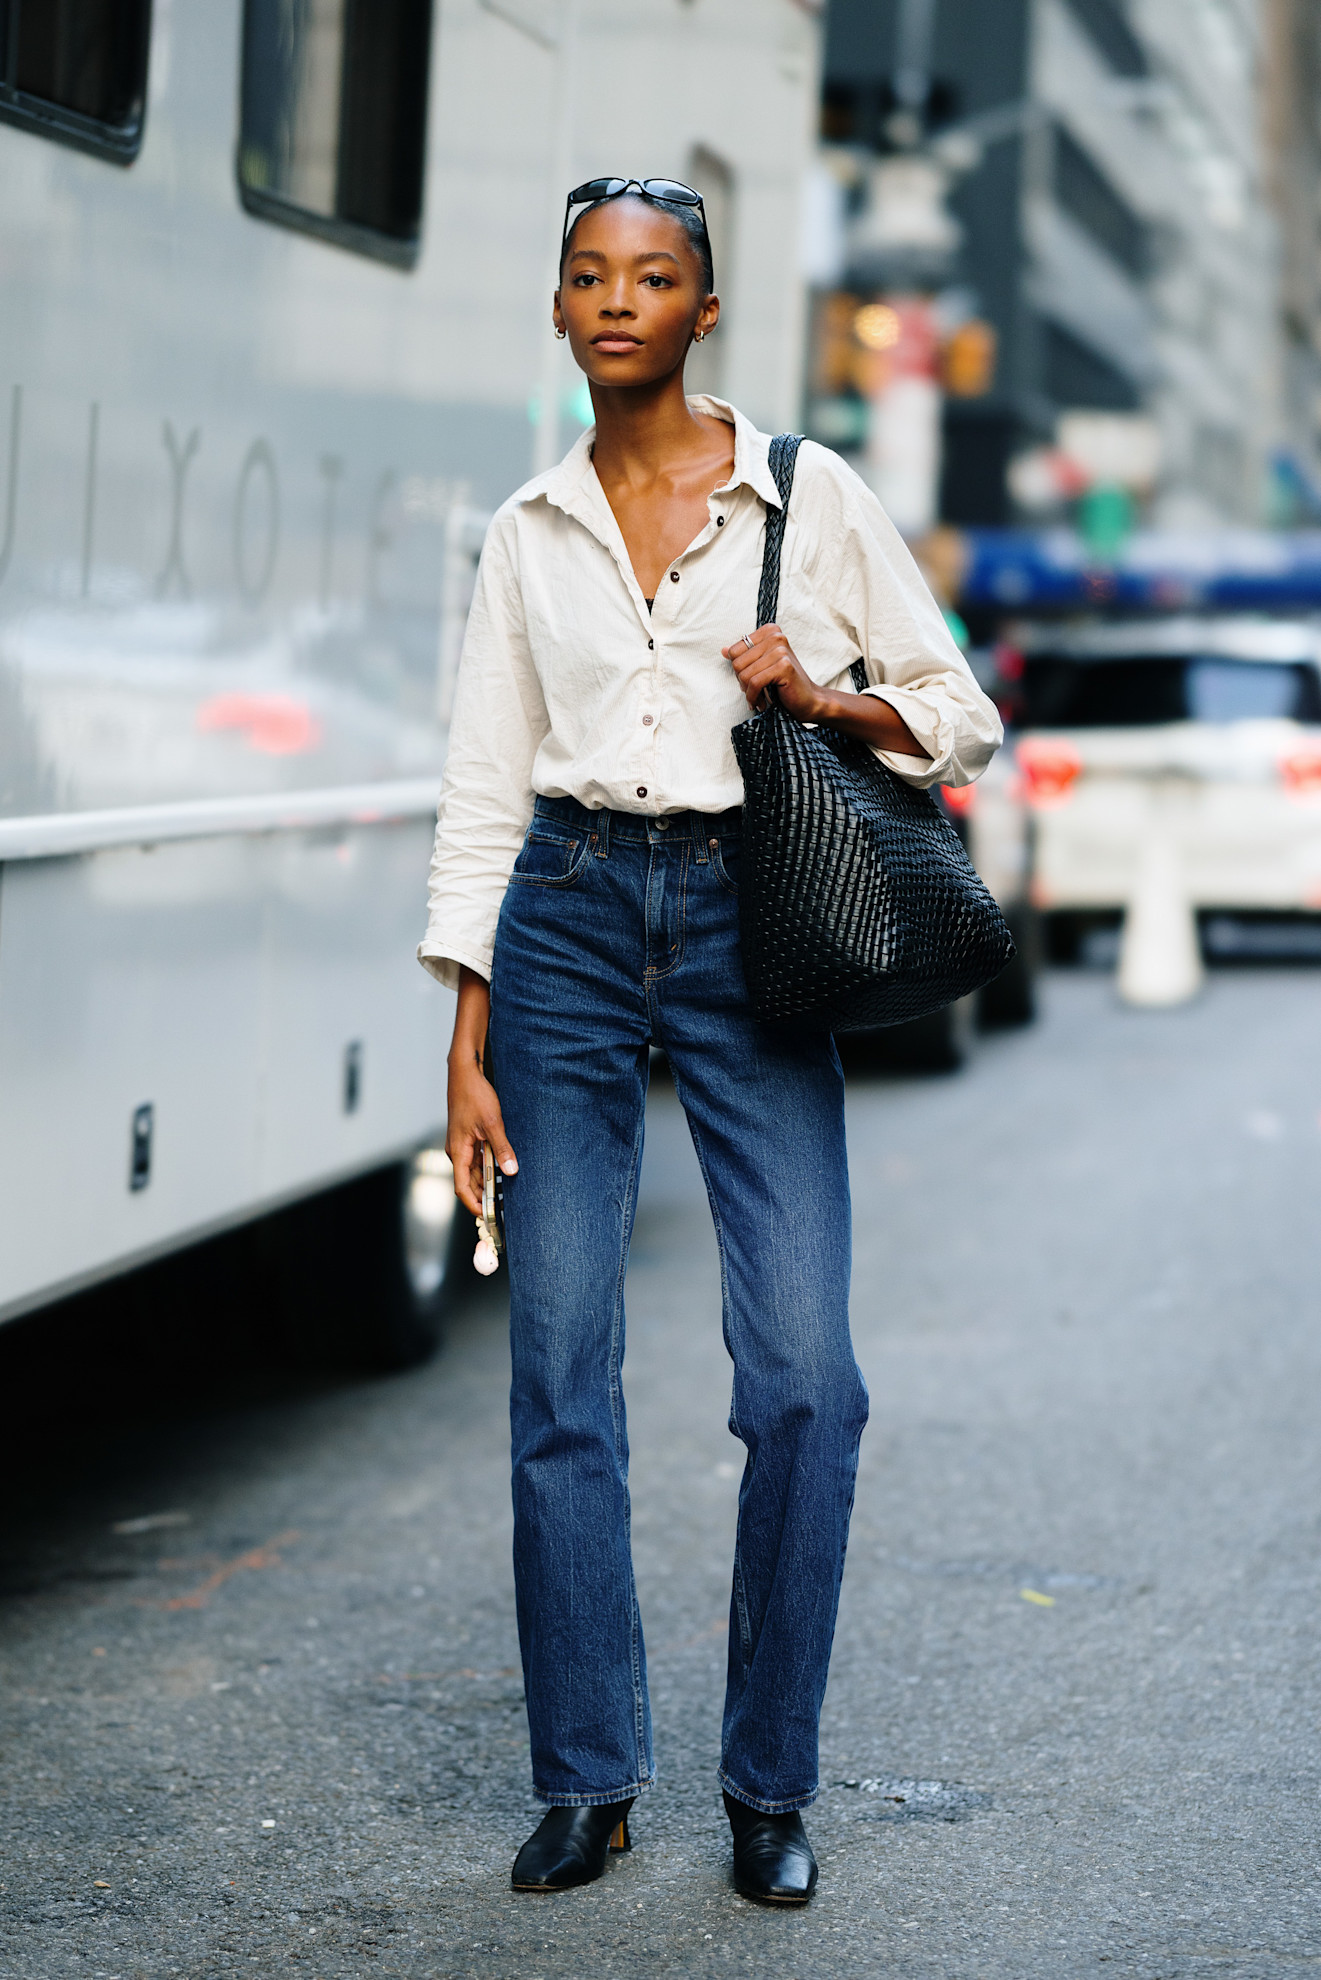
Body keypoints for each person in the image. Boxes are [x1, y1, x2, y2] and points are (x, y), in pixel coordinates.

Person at [419, 176, 1002, 1903]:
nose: (618, 301)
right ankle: (588, 1780)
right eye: (589, 275)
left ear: (704, 308)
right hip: (570, 924)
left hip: (753, 920)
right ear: (556, 309)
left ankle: (769, 1787)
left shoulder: (807, 498)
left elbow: (958, 717)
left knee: (806, 1379)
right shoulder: (528, 531)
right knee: (556, 1372)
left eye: (653, 276)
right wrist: (465, 1033)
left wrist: (821, 697)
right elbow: (479, 787)